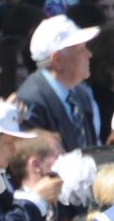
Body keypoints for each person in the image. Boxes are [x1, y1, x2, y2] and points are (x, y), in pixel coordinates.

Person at [15, 14, 102, 150]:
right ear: (57, 60)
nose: (88, 54)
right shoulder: (32, 101)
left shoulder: (81, 94)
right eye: (81, 50)